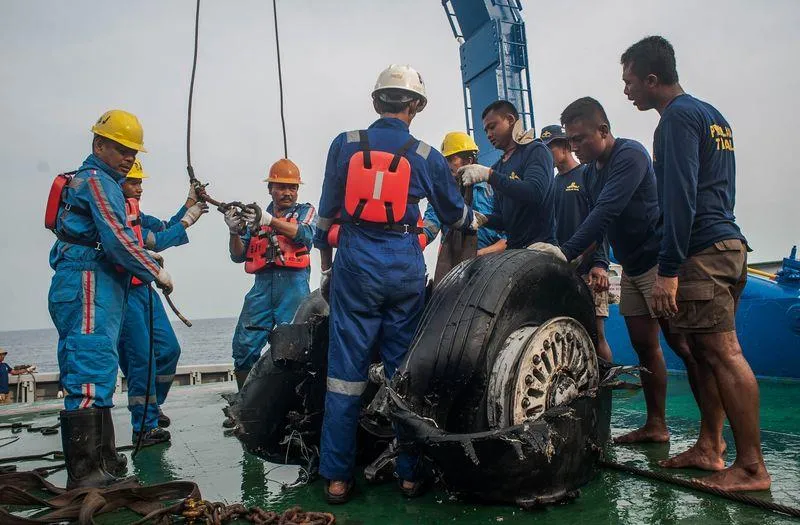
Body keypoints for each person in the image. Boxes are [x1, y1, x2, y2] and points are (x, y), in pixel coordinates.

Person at [314, 64, 481, 504]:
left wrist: (326, 258)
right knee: (403, 374)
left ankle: (336, 477)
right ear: (416, 106)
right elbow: (454, 218)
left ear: (375, 102)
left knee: (344, 377)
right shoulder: (426, 156)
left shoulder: (345, 145)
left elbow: (327, 211)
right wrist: (472, 213)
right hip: (403, 266)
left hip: (355, 266)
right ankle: (409, 476)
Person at [621, 35, 770, 491]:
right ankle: (710, 446)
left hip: (702, 252)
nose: (627, 92)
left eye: (630, 83)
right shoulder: (712, 116)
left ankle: (750, 467)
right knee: (706, 353)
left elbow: (681, 197)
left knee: (723, 353)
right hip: (728, 243)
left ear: (652, 79)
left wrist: (668, 269)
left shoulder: (675, 120)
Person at [555, 97, 693, 444]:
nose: (576, 147)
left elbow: (606, 211)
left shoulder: (629, 156)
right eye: (570, 141)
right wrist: (577, 262)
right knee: (644, 345)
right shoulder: (589, 174)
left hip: (657, 262)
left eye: (580, 139)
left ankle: (712, 436)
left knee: (683, 344)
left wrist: (563, 252)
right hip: (631, 266)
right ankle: (657, 425)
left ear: (603, 131)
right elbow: (596, 229)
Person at [47, 109, 172, 489]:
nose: (129, 157)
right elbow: (118, 240)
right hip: (88, 281)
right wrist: (156, 272)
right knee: (89, 368)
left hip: (91, 280)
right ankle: (86, 475)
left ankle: (103, 460)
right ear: (98, 144)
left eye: (133, 151)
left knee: (98, 368)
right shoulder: (99, 182)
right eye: (121, 148)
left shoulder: (96, 181)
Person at [117, 160, 207, 445]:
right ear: (118, 184)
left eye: (141, 182)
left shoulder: (135, 214)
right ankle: (143, 427)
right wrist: (189, 220)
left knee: (168, 350)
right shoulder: (113, 215)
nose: (140, 188)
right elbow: (158, 239)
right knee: (140, 359)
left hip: (144, 290)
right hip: (123, 295)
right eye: (134, 182)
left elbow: (164, 227)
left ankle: (152, 408)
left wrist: (189, 203)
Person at [225, 159, 317, 392]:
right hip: (262, 288)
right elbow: (238, 255)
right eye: (281, 186)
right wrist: (234, 232)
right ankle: (244, 405)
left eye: (292, 187)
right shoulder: (255, 218)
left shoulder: (306, 211)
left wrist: (269, 221)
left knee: (295, 350)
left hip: (293, 290)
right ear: (270, 189)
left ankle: (294, 406)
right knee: (244, 346)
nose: (288, 192)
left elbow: (305, 234)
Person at [541, 124, 612, 361]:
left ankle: (605, 389)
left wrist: (600, 263)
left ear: (565, 146)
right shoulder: (551, 185)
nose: (546, 154)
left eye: (549, 148)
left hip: (590, 271)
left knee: (596, 335)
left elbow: (602, 221)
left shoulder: (587, 175)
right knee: (568, 333)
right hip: (564, 271)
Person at [459, 100, 556, 248]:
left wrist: (490, 176)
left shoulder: (535, 151)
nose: (489, 134)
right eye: (486, 131)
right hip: (514, 250)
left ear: (510, 120)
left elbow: (536, 192)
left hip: (540, 247)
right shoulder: (498, 167)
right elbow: (505, 220)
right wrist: (485, 219)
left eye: (492, 127)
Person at [422, 131, 506, 255]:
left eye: (451, 159)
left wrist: (481, 253)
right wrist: (417, 239)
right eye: (445, 160)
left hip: (494, 262)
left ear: (469, 160)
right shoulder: (442, 193)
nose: (446, 165)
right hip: (457, 262)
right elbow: (431, 222)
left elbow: (509, 234)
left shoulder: (493, 188)